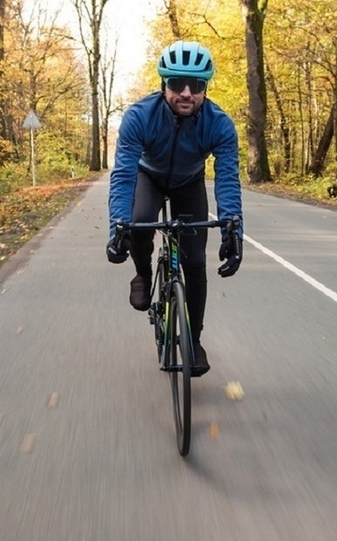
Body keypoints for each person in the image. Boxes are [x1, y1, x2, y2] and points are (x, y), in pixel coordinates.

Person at [106, 40, 243, 376]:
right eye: (176, 84)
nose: (186, 93)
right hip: (148, 176)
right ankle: (142, 272)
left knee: (195, 261)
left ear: (205, 88)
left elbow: (228, 179)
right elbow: (123, 174)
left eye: (195, 86)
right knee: (138, 223)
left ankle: (193, 341)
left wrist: (232, 230)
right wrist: (117, 227)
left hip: (188, 183)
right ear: (163, 84)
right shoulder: (140, 116)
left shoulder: (219, 124)